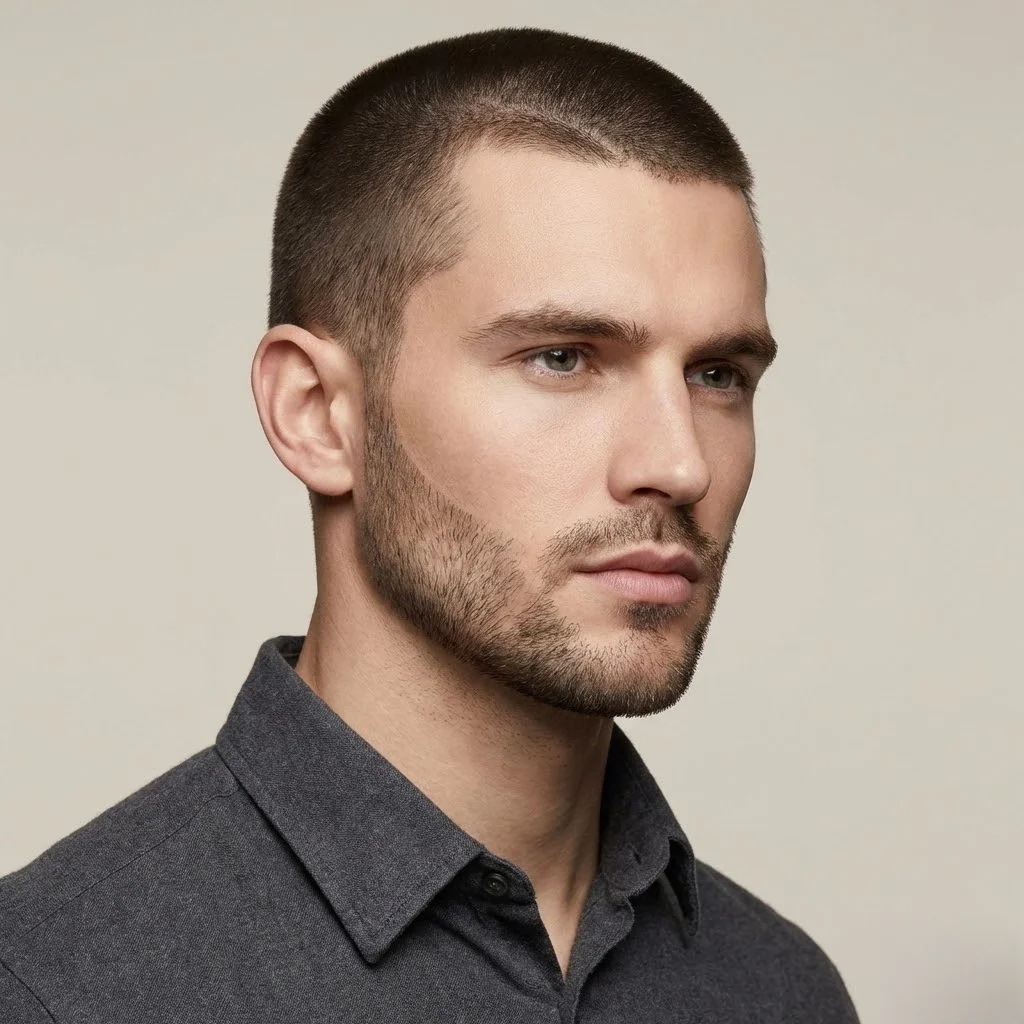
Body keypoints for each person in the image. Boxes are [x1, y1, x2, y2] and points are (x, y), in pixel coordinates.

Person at [0, 27, 860, 1023]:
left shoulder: (780, 989)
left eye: (716, 375)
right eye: (563, 357)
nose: (678, 463)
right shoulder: (54, 989)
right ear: (318, 414)